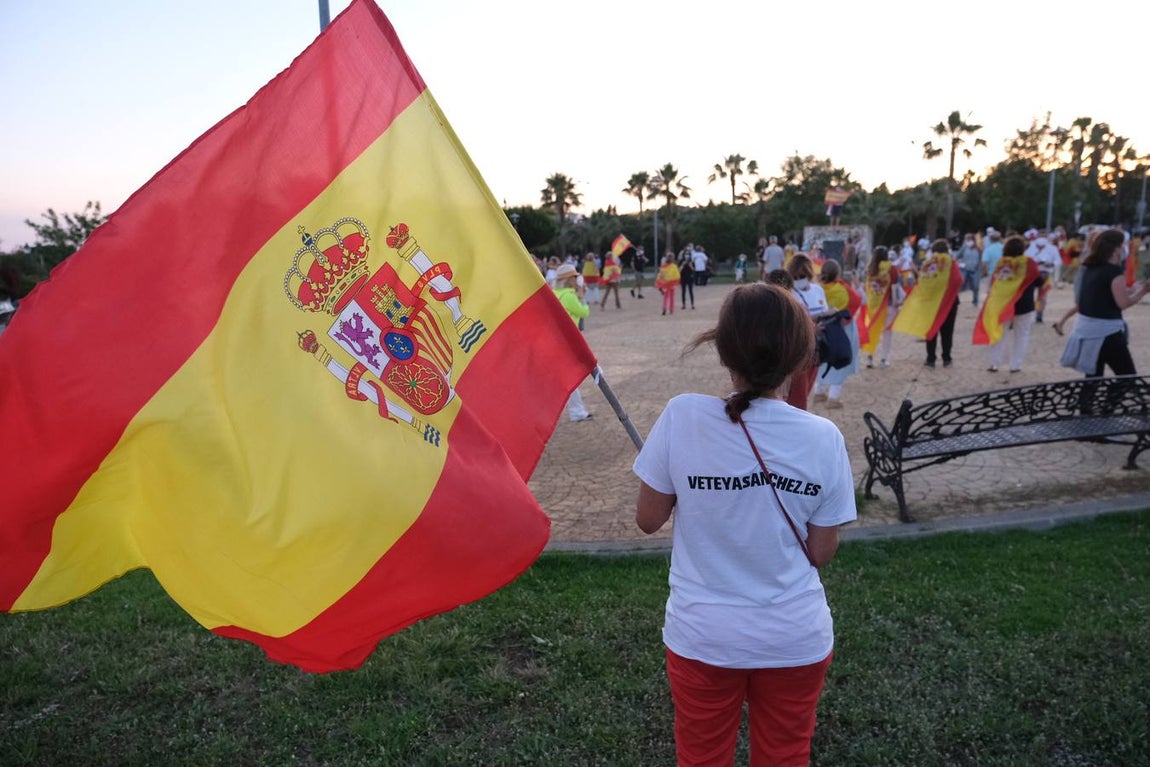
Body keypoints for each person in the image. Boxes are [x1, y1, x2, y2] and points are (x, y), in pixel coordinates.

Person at [633, 282, 856, 767]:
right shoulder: (824, 437)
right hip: (794, 636)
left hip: (703, 635)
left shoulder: (682, 415)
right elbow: (821, 552)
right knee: (785, 756)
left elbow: (648, 520)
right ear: (801, 356)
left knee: (702, 757)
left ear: (723, 349)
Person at [1060, 229, 1150, 377]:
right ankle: (1113, 394)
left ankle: (1093, 394)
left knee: (1093, 380)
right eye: (1122, 246)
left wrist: (1133, 289)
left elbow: (1104, 294)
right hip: (1107, 333)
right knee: (1127, 377)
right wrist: (1143, 291)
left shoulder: (1089, 267)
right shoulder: (1114, 271)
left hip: (1086, 331)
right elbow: (1123, 303)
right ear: (1115, 249)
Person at [985, 235, 1042, 373]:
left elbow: (994, 283)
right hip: (1024, 304)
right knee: (1021, 336)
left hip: (1003, 305)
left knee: (999, 334)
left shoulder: (1002, 264)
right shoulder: (1029, 263)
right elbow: (1039, 281)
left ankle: (994, 363)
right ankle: (1015, 365)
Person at [812, 260, 862, 409]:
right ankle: (833, 398)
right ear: (838, 273)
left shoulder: (816, 288)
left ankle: (818, 392)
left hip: (821, 330)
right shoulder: (843, 289)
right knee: (841, 359)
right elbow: (859, 299)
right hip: (841, 331)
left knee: (821, 359)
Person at [785, 254, 829, 410]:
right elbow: (789, 322)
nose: (799, 279)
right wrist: (810, 326)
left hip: (816, 348)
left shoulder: (818, 290)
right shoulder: (789, 293)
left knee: (807, 389)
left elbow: (825, 312)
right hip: (798, 350)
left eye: (802, 276)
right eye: (795, 276)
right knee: (798, 397)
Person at [552, 263, 593, 422]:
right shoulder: (569, 296)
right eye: (574, 277)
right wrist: (582, 298)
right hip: (568, 344)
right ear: (569, 279)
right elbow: (584, 312)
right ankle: (577, 412)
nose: (577, 279)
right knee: (582, 374)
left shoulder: (555, 294)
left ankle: (578, 412)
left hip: (559, 342)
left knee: (568, 379)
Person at [860, 246, 900, 369]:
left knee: (872, 330)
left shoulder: (870, 269)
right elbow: (895, 287)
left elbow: (866, 287)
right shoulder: (891, 268)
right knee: (887, 332)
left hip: (873, 305)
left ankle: (869, 358)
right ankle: (884, 359)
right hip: (888, 305)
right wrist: (896, 302)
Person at [956, 233, 982, 306]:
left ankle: (975, 300)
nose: (968, 241)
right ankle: (956, 300)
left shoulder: (978, 249)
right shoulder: (964, 248)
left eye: (969, 239)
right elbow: (957, 256)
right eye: (966, 239)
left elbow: (981, 259)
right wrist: (959, 263)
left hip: (975, 269)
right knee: (961, 284)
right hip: (965, 269)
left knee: (975, 286)